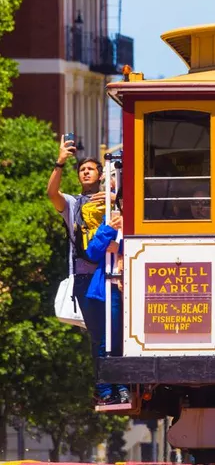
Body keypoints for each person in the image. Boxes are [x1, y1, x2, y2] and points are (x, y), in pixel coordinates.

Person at [47, 136, 117, 402]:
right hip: (87, 278)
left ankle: (120, 386)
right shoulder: (74, 204)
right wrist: (60, 162)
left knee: (118, 335)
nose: (85, 171)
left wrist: (113, 195)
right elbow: (52, 194)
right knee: (98, 336)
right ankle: (104, 389)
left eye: (91, 169)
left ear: (100, 175)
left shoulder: (113, 200)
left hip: (116, 275)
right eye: (82, 170)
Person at [84, 202, 129, 404]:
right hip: (109, 288)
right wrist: (109, 228)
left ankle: (121, 385)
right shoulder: (110, 218)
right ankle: (106, 389)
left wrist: (120, 249)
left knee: (123, 340)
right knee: (106, 339)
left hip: (131, 286)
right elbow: (92, 253)